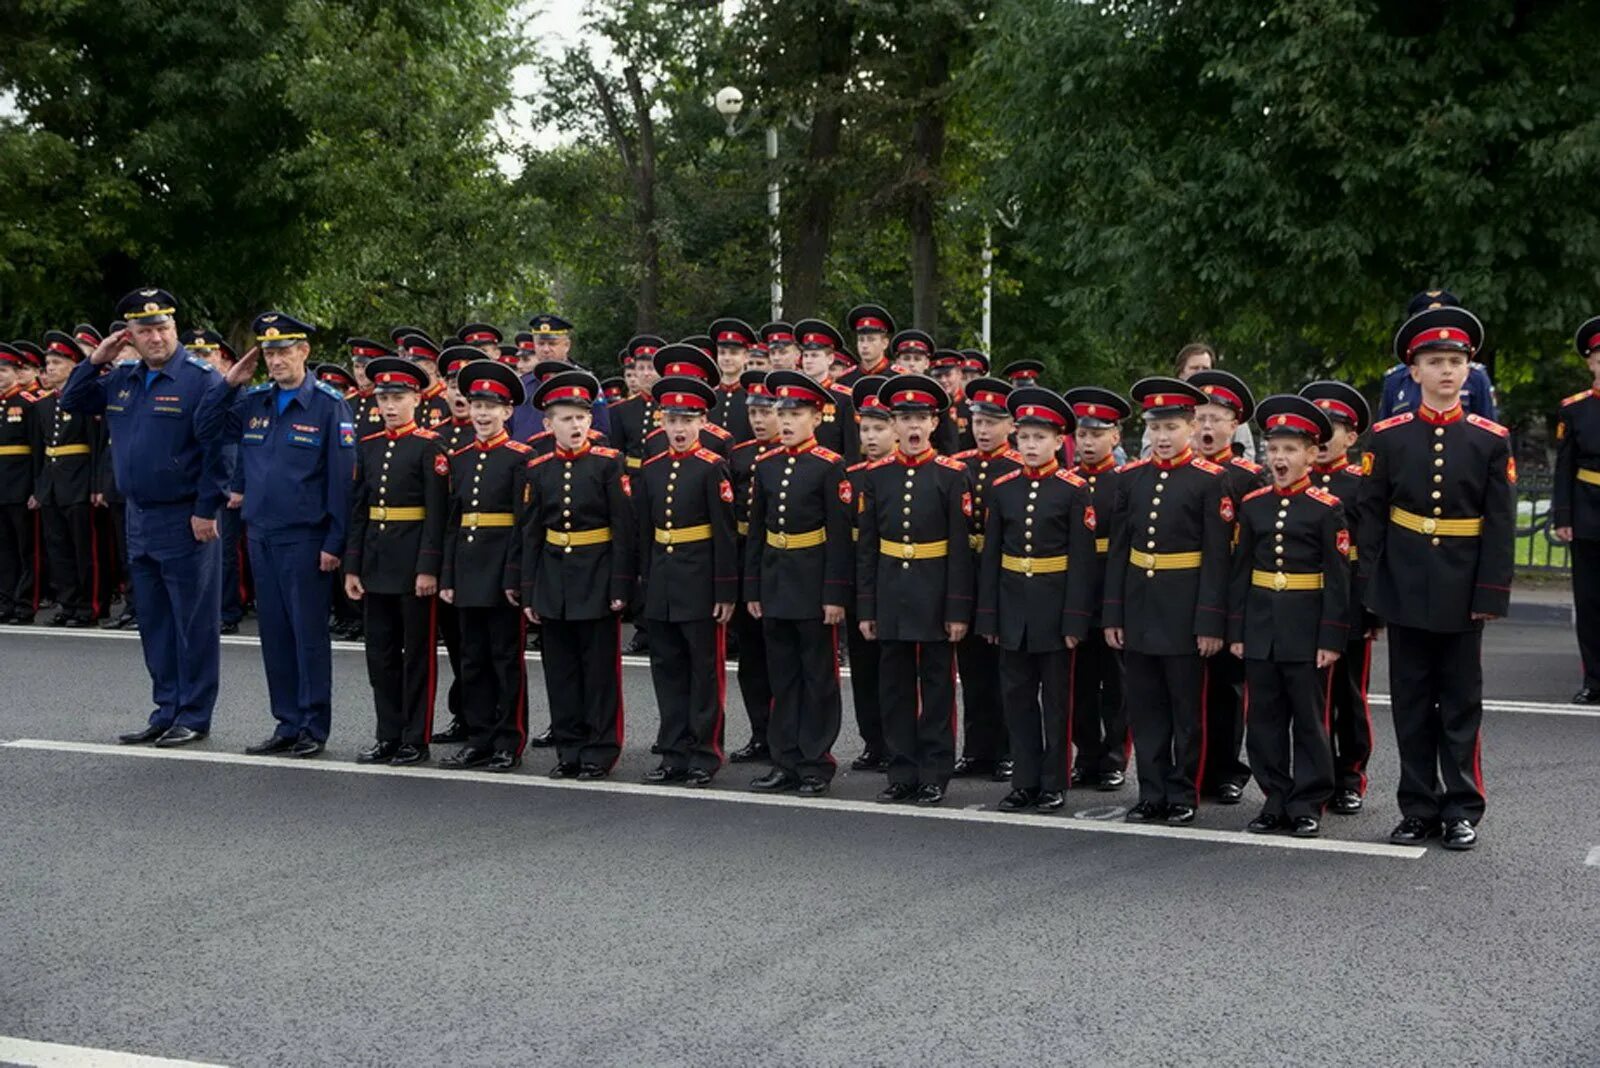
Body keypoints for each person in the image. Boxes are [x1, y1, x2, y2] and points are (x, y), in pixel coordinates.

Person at [1360, 304, 1514, 851]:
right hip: (1404, 583)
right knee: (1410, 701)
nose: (1446, 370)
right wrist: (1373, 592)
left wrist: (1490, 591)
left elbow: (1498, 523)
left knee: (1460, 705)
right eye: (1434, 361)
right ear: (1413, 372)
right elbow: (1372, 518)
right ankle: (1418, 806)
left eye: (1455, 360)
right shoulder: (1388, 437)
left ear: (1469, 370)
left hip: (1461, 586)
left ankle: (1461, 808)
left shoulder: (1490, 439)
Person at [59, 288, 227, 747]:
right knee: (154, 620)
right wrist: (95, 359)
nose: (155, 337)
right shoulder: (123, 378)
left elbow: (219, 450)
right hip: (138, 516)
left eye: (163, 328)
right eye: (144, 330)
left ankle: (194, 714)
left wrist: (206, 508)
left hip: (186, 516)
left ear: (174, 329)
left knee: (193, 621)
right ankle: (166, 708)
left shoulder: (200, 380)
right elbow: (72, 401)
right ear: (128, 336)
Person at [198, 312, 356, 758]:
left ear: (304, 351)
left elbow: (341, 482)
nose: (277, 359)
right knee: (275, 634)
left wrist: (334, 542)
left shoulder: (328, 405)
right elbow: (205, 428)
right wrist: (229, 383)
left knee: (308, 634)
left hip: (306, 538)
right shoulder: (256, 401)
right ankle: (286, 722)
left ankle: (313, 726)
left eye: (285, 350)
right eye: (269, 352)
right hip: (261, 533)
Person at [1102, 376, 1232, 825]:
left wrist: (1211, 622)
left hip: (1185, 609)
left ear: (1192, 427)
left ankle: (1182, 792)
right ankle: (1151, 791)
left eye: (1171, 427)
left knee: (1186, 712)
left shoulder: (1210, 481)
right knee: (1146, 708)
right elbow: (1119, 551)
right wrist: (1113, 613)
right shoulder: (1131, 479)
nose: (1161, 437)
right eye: (1155, 428)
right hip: (1140, 607)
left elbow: (1217, 559)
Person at [1228, 395, 1350, 838]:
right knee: (1263, 719)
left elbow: (1337, 580)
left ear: (1312, 455)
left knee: (1309, 719)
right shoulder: (1254, 504)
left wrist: (1331, 637)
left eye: (1291, 450)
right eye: (1274, 449)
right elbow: (1241, 570)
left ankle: (1308, 802)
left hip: (1304, 628)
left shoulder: (1325, 508)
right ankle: (1275, 798)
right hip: (1261, 628)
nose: (1280, 458)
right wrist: (1237, 629)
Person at [977, 387, 1098, 812]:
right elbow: (992, 557)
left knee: (1057, 703)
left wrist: (1074, 620)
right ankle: (1024, 779)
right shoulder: (1003, 488)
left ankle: (1054, 781)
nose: (1029, 446)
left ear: (1057, 442)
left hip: (1054, 609)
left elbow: (1082, 563)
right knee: (1018, 699)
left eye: (1039, 438)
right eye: (1024, 437)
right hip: (1013, 609)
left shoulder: (1072, 489)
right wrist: (989, 617)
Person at [856, 373, 975, 806]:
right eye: (903, 418)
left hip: (934, 593)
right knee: (895, 688)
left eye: (919, 418)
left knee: (938, 687)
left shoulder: (951, 475)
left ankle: (935, 772)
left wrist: (958, 609)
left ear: (931, 424)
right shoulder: (878, 476)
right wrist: (867, 606)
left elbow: (961, 551)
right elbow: (867, 547)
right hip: (891, 593)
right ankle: (901, 769)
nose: (911, 428)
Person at [521, 369, 635, 779]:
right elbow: (531, 533)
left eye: (581, 418)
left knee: (599, 671)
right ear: (548, 424)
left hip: (597, 576)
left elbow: (624, 529)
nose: (575, 426)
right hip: (554, 580)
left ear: (590, 422)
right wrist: (530, 590)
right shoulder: (539, 468)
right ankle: (569, 747)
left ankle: (600, 749)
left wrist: (621, 585)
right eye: (565, 419)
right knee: (562, 671)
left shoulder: (608, 464)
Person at [744, 370, 853, 796]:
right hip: (776, 581)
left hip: (812, 583)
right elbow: (756, 532)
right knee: (782, 677)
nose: (786, 421)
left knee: (817, 677)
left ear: (816, 418)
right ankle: (784, 759)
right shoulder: (766, 465)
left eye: (796, 413)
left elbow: (840, 537)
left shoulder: (829, 466)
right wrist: (753, 587)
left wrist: (834, 595)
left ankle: (815, 762)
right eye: (781, 413)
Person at [344, 356, 449, 766]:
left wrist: (428, 567)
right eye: (384, 397)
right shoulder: (368, 447)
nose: (389, 406)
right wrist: (353, 565)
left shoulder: (429, 446)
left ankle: (414, 736)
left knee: (416, 656)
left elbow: (436, 513)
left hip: (411, 565)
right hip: (375, 561)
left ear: (417, 400)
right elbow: (359, 509)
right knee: (380, 656)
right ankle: (387, 733)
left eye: (398, 397)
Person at [635, 374, 737, 786]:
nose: (678, 428)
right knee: (667, 670)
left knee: (704, 671)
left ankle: (705, 753)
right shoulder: (653, 467)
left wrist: (725, 589)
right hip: (663, 582)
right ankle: (673, 752)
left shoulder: (713, 468)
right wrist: (644, 584)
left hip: (699, 583)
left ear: (702, 422)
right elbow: (645, 531)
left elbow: (725, 534)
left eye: (687, 419)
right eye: (671, 420)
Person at [439, 362, 533, 771]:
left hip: (500, 572)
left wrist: (515, 575)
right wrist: (447, 576)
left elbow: (524, 524)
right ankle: (478, 736)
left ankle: (508, 739)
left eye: (490, 407)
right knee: (472, 659)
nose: (481, 414)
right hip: (467, 568)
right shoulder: (459, 458)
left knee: (505, 658)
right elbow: (451, 523)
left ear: (507, 412)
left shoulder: (521, 458)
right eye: (476, 404)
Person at [1188, 368, 1266, 804]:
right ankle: (1193, 766)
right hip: (1185, 590)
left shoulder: (1246, 477)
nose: (1206, 427)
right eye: (1199, 417)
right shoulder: (1183, 472)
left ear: (1234, 424)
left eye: (1216, 418)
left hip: (1232, 592)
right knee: (1186, 689)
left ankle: (1227, 769)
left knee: (1227, 688)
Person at [1301, 379, 1378, 813]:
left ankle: (1350, 776)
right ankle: (1313, 776)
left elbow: (1369, 551)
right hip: (1300, 602)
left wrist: (1370, 608)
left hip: (1348, 603)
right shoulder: (1295, 478)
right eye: (1319, 426)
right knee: (1305, 697)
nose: (1326, 436)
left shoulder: (1359, 483)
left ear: (1352, 437)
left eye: (1335, 428)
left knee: (1348, 696)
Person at [951, 376, 1023, 781]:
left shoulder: (1015, 467)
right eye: (978, 421)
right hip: (969, 572)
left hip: (1002, 576)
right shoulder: (959, 465)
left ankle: (1006, 750)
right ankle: (977, 749)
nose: (982, 429)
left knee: (1005, 672)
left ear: (1009, 426)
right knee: (973, 669)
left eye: (991, 422)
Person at [1062, 386, 1132, 790]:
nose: (1088, 442)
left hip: (1111, 586)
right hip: (1076, 590)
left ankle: (1114, 757)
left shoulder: (1124, 482)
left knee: (1117, 683)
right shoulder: (1068, 481)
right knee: (1079, 683)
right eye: (1083, 435)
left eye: (1097, 434)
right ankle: (1086, 754)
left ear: (1115, 437)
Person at [31, 331, 101, 627]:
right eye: (48, 363)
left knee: (83, 549)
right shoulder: (43, 405)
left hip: (78, 481)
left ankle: (88, 606)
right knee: (57, 548)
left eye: (57, 362)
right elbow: (39, 452)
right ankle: (67, 604)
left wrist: (95, 485)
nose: (50, 368)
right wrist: (39, 487)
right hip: (52, 484)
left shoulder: (84, 399)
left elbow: (95, 446)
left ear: (74, 366)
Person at [727, 370, 778, 763]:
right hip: (744, 555)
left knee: (779, 653)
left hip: (779, 560)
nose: (759, 419)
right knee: (750, 657)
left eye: (767, 411)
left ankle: (781, 733)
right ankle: (760, 732)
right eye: (754, 412)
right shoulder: (739, 454)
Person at [845, 376, 895, 769]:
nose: (872, 436)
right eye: (866, 429)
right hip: (859, 580)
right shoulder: (852, 475)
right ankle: (872, 740)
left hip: (895, 576)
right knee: (863, 668)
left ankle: (896, 741)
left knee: (894, 670)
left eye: (880, 428)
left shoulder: (898, 475)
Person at [1556, 316, 1600, 704]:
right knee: (1589, 601)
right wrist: (1563, 516)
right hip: (1589, 512)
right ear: (1591, 363)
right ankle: (1595, 680)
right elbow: (1564, 467)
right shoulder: (1576, 410)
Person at [1377, 290, 1498, 421]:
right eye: (1427, 324)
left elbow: (1488, 430)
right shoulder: (1395, 379)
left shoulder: (1475, 376)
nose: (1447, 370)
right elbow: (1386, 431)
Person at [0, 342, 39, 624]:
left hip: (22, 485)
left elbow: (38, 450)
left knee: (26, 548)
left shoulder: (27, 404)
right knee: (4, 549)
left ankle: (25, 602)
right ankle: (6, 599)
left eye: (4, 370)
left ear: (18, 371)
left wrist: (37, 488)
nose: (0, 376)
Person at [791, 319, 859, 463]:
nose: (808, 361)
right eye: (806, 355)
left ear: (830, 359)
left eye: (815, 355)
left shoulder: (844, 398)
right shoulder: (795, 395)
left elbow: (852, 447)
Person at [708, 318, 756, 442]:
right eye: (722, 353)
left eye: (734, 353)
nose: (727, 358)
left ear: (746, 357)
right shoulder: (710, 397)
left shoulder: (752, 396)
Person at [843, 304, 896, 383]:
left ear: (885, 343)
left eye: (871, 340)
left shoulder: (897, 378)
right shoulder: (845, 378)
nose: (864, 345)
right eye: (861, 340)